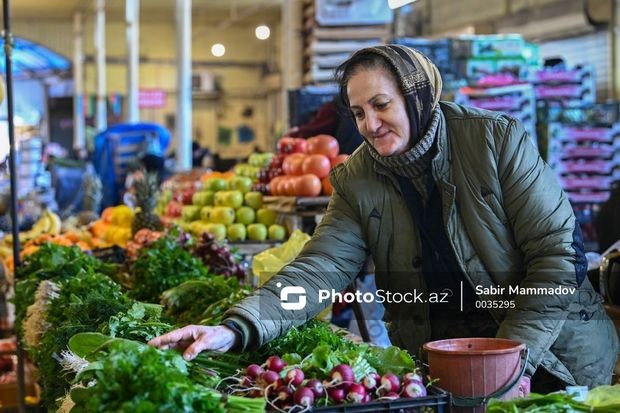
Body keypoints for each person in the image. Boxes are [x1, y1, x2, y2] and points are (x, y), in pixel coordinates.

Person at [149, 45, 618, 392]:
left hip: (551, 358)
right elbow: (318, 272)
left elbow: (558, 257)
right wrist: (236, 327)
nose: (369, 124)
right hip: (445, 367)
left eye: (381, 105)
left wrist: (514, 360)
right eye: (357, 112)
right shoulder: (356, 178)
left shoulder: (495, 141)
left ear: (416, 97)